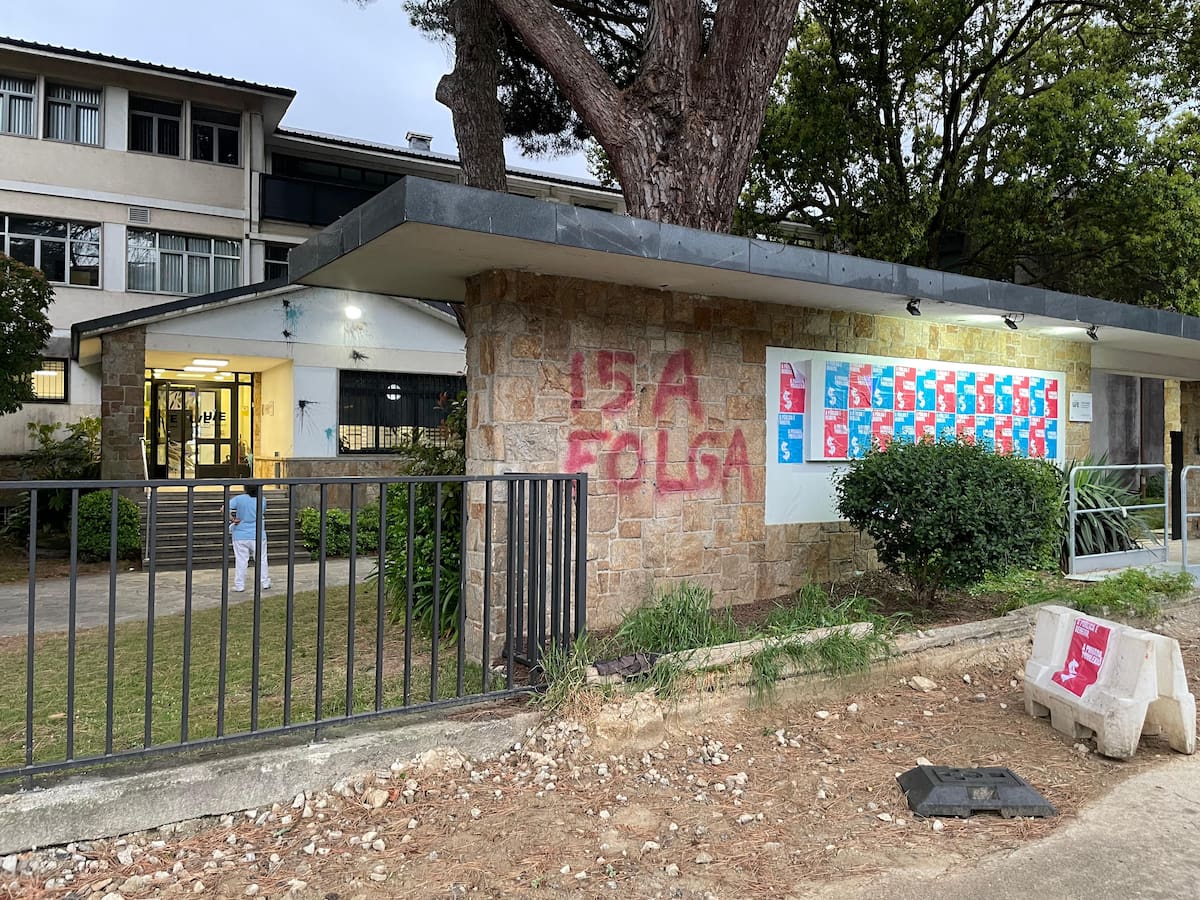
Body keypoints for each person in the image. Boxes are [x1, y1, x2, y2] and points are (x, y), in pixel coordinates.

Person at [229, 484, 270, 592]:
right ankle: (265, 582)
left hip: (240, 533)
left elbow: (224, 508)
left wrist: (232, 519)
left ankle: (239, 585)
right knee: (261, 559)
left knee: (241, 560)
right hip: (258, 533)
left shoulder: (239, 499)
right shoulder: (262, 499)